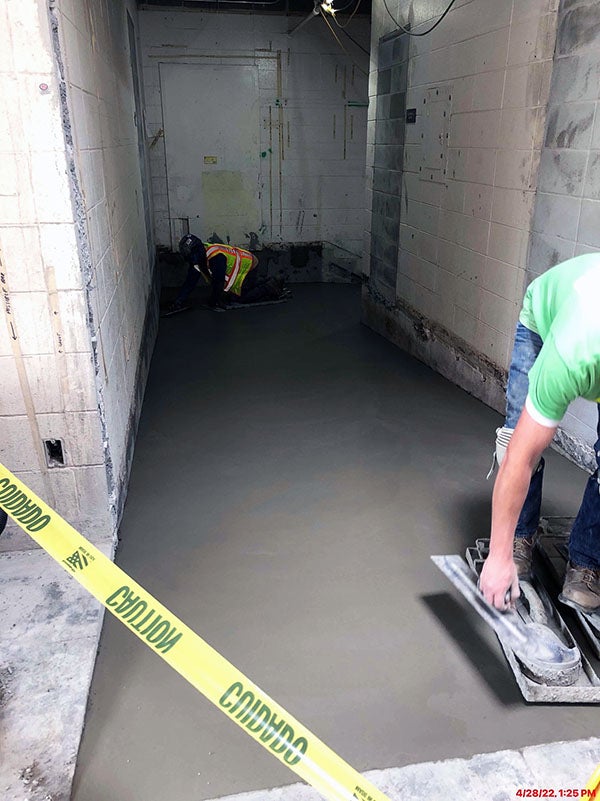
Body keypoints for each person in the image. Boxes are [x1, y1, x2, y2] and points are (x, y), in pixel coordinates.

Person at [480, 254, 600, 614]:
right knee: (517, 438)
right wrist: (498, 557)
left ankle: (587, 560)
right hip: (543, 320)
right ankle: (519, 537)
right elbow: (522, 455)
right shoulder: (572, 352)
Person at [165, 234, 287, 314]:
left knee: (240, 298)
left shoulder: (215, 257)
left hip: (248, 265)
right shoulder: (198, 257)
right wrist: (179, 301)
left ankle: (270, 287)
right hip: (244, 264)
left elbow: (219, 282)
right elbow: (190, 282)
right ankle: (273, 280)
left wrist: (213, 302)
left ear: (196, 251)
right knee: (243, 288)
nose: (190, 260)